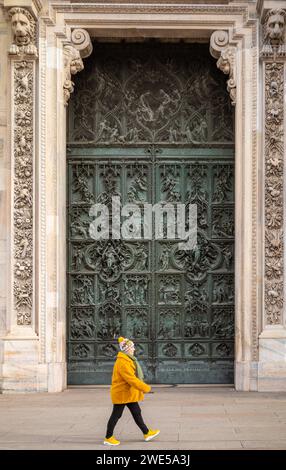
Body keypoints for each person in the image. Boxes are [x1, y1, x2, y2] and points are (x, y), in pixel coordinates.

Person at [104, 336, 160, 446]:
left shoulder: (127, 359)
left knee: (136, 412)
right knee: (116, 415)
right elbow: (131, 379)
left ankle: (146, 432)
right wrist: (145, 388)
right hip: (122, 393)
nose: (134, 349)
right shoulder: (123, 362)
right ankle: (108, 437)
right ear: (127, 349)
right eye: (132, 347)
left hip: (127, 393)